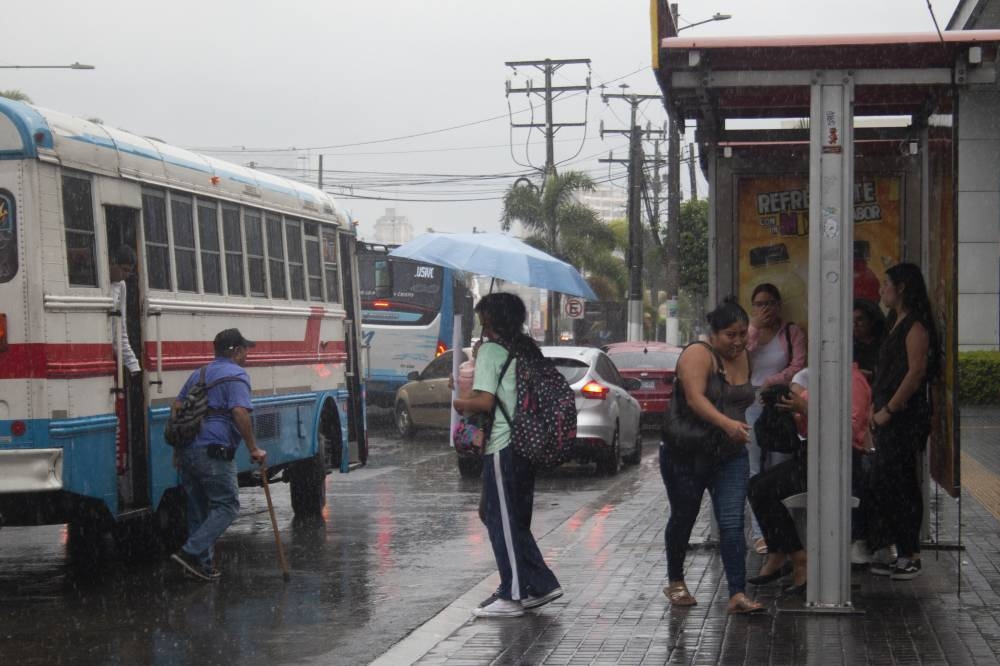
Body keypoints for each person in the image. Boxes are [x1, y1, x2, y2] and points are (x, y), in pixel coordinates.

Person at [453, 293, 562, 618]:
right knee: (495, 513)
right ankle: (535, 584)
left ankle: (515, 593)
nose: (480, 325)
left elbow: (484, 402)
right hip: (525, 447)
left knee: (502, 520)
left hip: (503, 444)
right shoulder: (523, 348)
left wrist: (459, 402)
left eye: (482, 318)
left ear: (492, 320)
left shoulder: (490, 351)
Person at [660, 298, 764, 614]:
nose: (738, 341)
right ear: (713, 334)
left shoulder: (745, 355)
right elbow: (694, 399)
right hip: (687, 454)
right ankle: (676, 580)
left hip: (730, 455)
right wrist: (727, 423)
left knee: (732, 522)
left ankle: (737, 593)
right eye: (730, 335)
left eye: (743, 334)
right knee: (684, 516)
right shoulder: (697, 354)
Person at [747, 363, 871, 594]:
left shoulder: (853, 382)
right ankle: (782, 552)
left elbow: (849, 430)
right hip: (816, 457)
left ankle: (795, 557)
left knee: (763, 488)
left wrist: (805, 408)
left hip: (838, 462)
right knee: (757, 486)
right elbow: (807, 425)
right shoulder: (824, 379)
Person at [170, 328, 267, 581]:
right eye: (245, 349)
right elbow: (239, 412)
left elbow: (177, 407)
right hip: (214, 450)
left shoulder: (199, 374)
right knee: (227, 505)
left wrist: (177, 449)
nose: (247, 355)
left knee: (198, 508)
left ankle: (201, 565)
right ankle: (190, 552)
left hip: (188, 449)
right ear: (235, 351)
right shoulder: (236, 375)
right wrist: (253, 448)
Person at [865, 263, 938, 580]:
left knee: (901, 481)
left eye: (886, 284)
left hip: (903, 417)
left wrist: (889, 409)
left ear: (902, 287)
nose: (882, 290)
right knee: (885, 479)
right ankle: (893, 547)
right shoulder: (896, 322)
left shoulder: (916, 326)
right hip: (885, 413)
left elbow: (915, 373)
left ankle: (910, 551)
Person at [745, 283, 807, 554]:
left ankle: (784, 533)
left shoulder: (792, 332)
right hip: (751, 401)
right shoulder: (749, 332)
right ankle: (761, 533)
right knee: (754, 466)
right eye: (759, 304)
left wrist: (773, 381)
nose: (765, 308)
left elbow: (799, 364)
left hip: (779, 401)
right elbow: (738, 357)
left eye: (770, 303)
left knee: (781, 466)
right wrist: (754, 328)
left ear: (779, 305)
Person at [110, 245, 141, 375]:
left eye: (129, 272)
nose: (126, 276)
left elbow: (120, 326)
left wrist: (133, 365)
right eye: (124, 270)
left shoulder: (121, 285)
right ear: (112, 263)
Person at [853, 298, 886, 382]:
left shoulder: (884, 346)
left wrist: (872, 375)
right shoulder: (848, 348)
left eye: (860, 319)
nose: (855, 324)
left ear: (871, 321)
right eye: (852, 320)